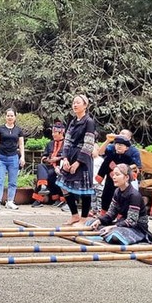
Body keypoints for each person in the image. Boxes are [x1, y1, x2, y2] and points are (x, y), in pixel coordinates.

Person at [88, 164, 152, 244]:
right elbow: (111, 214)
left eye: (117, 174)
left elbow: (132, 221)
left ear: (126, 178)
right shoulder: (117, 192)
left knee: (116, 235)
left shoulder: (134, 195)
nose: (114, 177)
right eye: (114, 174)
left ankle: (112, 233)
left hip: (136, 228)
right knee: (91, 223)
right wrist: (99, 220)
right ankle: (109, 231)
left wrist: (113, 227)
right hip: (122, 223)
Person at [56, 95, 96, 225]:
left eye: (78, 103)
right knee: (63, 186)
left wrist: (78, 162)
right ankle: (74, 215)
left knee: (85, 190)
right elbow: (67, 140)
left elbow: (89, 143)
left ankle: (84, 218)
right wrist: (65, 158)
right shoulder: (72, 121)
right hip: (70, 155)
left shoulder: (89, 121)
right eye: (73, 103)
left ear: (85, 105)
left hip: (83, 158)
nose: (75, 105)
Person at [94, 136, 138, 215]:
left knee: (123, 200)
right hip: (109, 184)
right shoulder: (110, 157)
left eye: (122, 145)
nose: (119, 146)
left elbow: (134, 170)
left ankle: (120, 216)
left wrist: (128, 169)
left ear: (126, 148)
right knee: (106, 198)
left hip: (123, 186)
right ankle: (104, 215)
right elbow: (103, 168)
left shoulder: (128, 159)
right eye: (117, 144)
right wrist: (100, 177)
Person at [0, 108, 25, 211]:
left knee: (13, 181)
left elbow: (21, 144)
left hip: (13, 158)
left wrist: (22, 156)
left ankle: (10, 201)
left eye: (12, 115)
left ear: (15, 117)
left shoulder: (18, 130)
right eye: (8, 115)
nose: (10, 117)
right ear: (5, 117)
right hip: (1, 157)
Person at [32, 121, 66, 208]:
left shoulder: (67, 144)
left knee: (49, 175)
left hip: (60, 167)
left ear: (61, 133)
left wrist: (58, 158)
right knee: (40, 167)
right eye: (52, 133)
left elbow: (68, 156)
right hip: (49, 166)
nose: (53, 134)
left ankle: (39, 199)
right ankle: (43, 186)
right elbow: (44, 156)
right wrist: (48, 159)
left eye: (55, 133)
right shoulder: (49, 144)